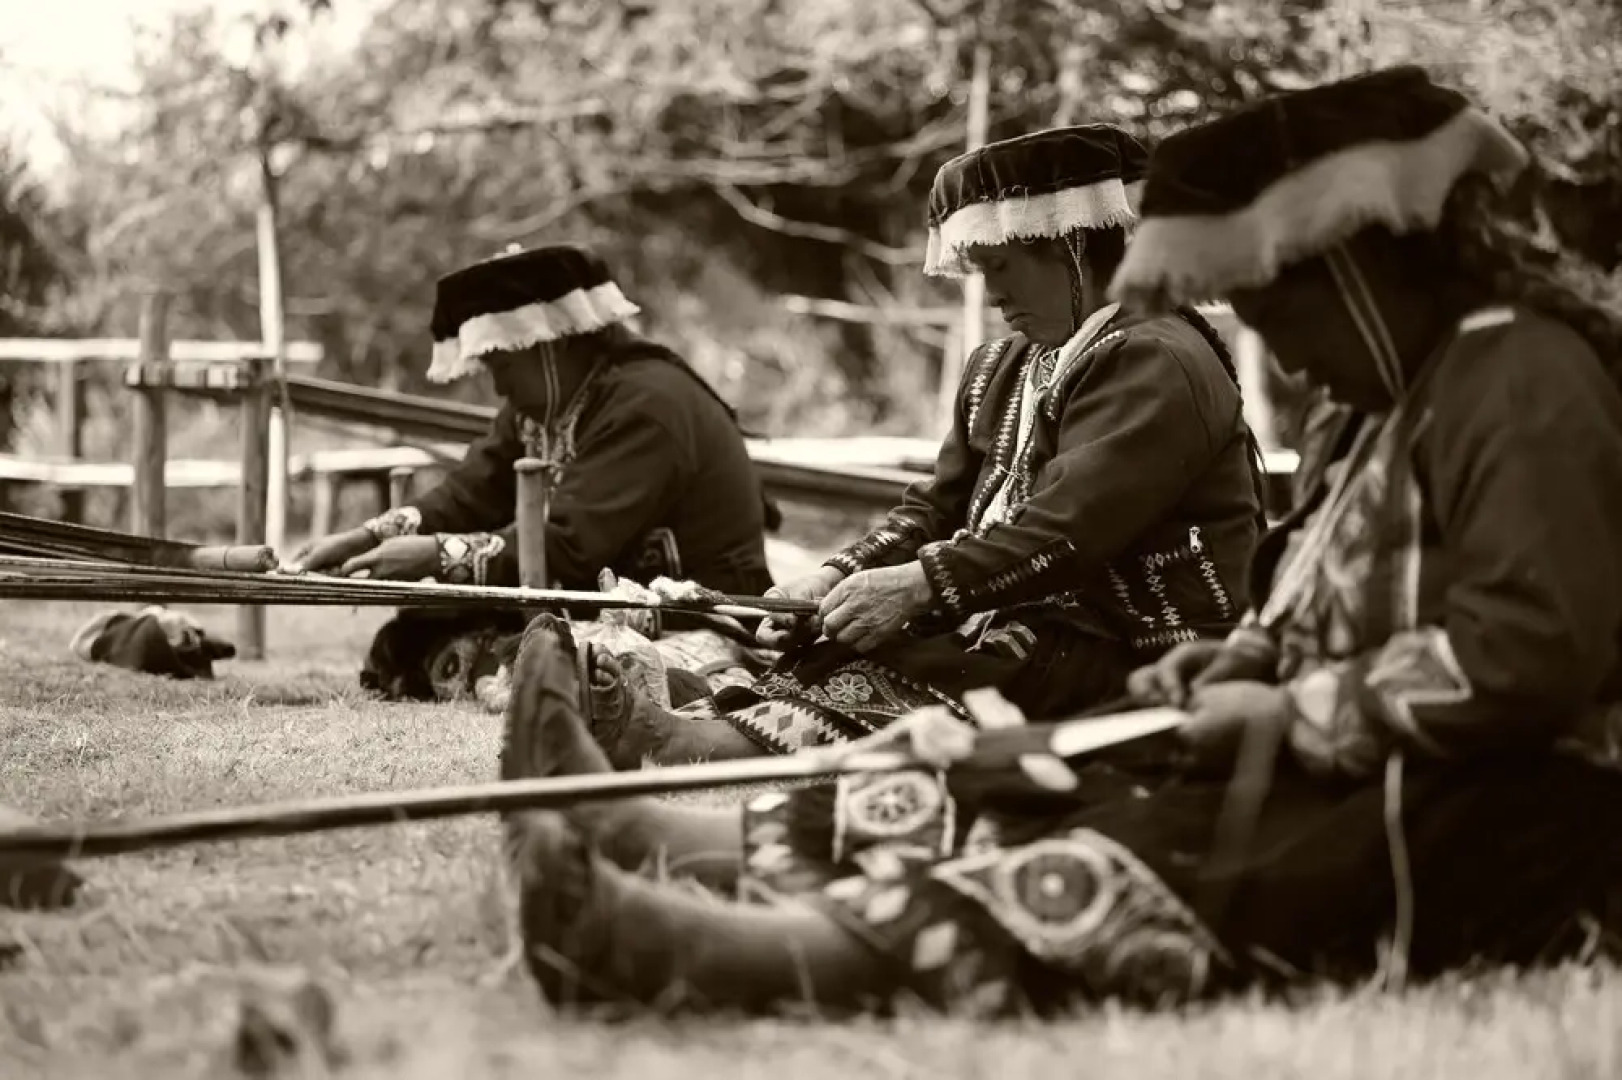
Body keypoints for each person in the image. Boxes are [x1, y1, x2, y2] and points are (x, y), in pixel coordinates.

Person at [493, 67, 1622, 1015]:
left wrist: (1285, 712)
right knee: (1045, 768)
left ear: (1359, 266)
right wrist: (1233, 669)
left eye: (1287, 322)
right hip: (1325, 736)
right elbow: (1295, 606)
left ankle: (721, 957)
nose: (1277, 363)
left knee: (1172, 832)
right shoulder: (1376, 403)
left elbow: (1527, 654)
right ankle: (677, 842)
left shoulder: (1518, 382)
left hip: (1524, 804)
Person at [578, 123, 1267, 765]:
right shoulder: (1003, 367)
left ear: (1069, 247)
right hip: (1031, 619)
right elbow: (934, 513)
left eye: (1000, 265)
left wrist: (921, 588)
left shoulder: (1158, 358)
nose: (992, 294)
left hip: (1139, 646)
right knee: (861, 630)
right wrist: (836, 577)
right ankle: (702, 713)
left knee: (965, 651)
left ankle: (689, 739)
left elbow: (1067, 532)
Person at [283, 244, 777, 702]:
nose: (495, 381)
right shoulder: (542, 408)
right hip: (599, 601)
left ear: (549, 343)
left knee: (564, 663)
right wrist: (368, 536)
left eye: (499, 359)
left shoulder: (647, 405)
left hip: (696, 619)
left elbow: (571, 544)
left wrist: (438, 554)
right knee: (410, 637)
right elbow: (472, 491)